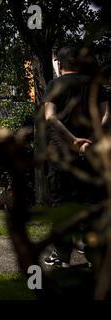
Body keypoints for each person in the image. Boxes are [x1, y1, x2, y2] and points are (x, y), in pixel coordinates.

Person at [43, 46, 109, 267]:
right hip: (92, 155)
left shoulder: (54, 85)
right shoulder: (95, 86)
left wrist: (73, 141)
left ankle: (62, 256)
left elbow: (50, 117)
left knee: (62, 206)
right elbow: (107, 114)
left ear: (60, 65)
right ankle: (94, 257)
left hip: (62, 155)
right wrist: (89, 140)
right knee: (91, 204)